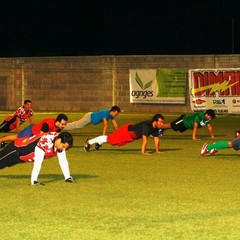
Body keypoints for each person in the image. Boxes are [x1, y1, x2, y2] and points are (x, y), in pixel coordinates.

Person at [0, 131, 76, 185]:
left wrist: (68, 177)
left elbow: (63, 161)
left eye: (65, 148)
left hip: (22, 156)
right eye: (63, 146)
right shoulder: (45, 142)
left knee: (3, 164)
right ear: (59, 140)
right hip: (17, 148)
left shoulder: (59, 142)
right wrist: (34, 180)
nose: (63, 149)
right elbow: (38, 162)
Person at [84, 113, 166, 155]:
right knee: (110, 139)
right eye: (161, 122)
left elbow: (156, 138)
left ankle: (99, 143)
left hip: (130, 135)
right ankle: (89, 142)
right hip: (126, 132)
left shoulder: (155, 127)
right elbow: (144, 140)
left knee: (112, 140)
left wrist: (157, 151)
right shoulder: (147, 126)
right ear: (155, 121)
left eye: (162, 122)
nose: (162, 124)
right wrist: (143, 152)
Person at [0, 113, 68, 147]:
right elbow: (41, 136)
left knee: (21, 143)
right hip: (31, 131)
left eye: (65, 124)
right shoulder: (48, 124)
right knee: (17, 138)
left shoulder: (59, 128)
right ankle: (2, 140)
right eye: (62, 124)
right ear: (58, 122)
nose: (64, 126)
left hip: (35, 134)